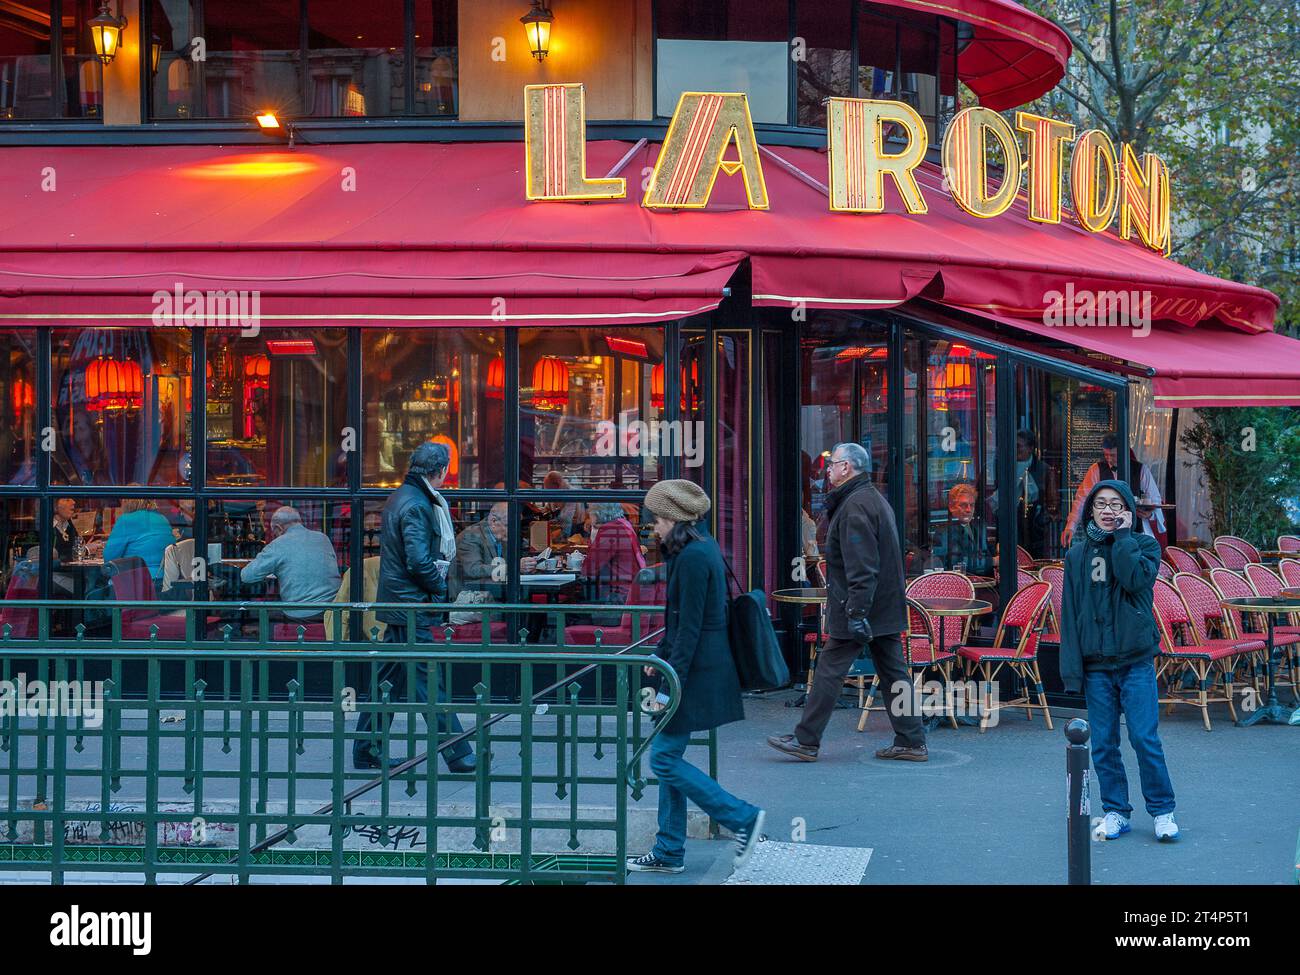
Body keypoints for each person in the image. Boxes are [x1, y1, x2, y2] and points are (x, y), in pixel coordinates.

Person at [626, 479, 765, 875]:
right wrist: (663, 655)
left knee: (665, 760)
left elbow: (689, 628)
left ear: (673, 518)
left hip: (696, 673)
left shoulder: (690, 558)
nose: (653, 527)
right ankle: (669, 850)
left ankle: (743, 818)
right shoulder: (702, 550)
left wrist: (672, 681)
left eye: (656, 519)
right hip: (701, 667)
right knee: (670, 757)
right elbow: (686, 624)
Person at [768, 442, 927, 762]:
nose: (827, 469)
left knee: (829, 670)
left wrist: (855, 612)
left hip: (860, 607)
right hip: (881, 606)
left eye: (833, 463)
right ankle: (911, 741)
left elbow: (862, 565)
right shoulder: (870, 500)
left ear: (848, 468)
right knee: (895, 672)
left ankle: (806, 740)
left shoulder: (855, 506)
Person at [1059, 479, 1178, 842]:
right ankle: (1115, 811)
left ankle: (1162, 811)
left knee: (1144, 738)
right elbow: (1071, 612)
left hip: (1135, 660)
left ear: (1127, 510)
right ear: (1091, 511)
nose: (1108, 511)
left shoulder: (1143, 546)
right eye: (1101, 505)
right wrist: (1072, 670)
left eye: (1116, 504)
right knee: (1104, 743)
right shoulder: (1078, 554)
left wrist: (1124, 538)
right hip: (1096, 664)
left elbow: (1134, 581)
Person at [355, 441, 475, 773]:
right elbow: (419, 561)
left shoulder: (405, 497)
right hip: (409, 606)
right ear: (442, 471)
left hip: (399, 604)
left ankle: (367, 749)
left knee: (387, 682)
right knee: (427, 680)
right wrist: (440, 590)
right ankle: (458, 753)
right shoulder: (418, 504)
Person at [239, 506, 342, 622]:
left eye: (275, 533)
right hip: (334, 609)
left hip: (302, 613)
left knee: (260, 616)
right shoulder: (323, 538)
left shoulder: (278, 545)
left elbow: (247, 576)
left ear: (279, 528)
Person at [447, 502, 537, 602]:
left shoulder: (500, 536)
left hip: (493, 594)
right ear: (494, 521)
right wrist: (515, 567)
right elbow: (473, 570)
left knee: (525, 602)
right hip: (471, 599)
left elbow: (506, 565)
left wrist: (525, 566)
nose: (514, 530)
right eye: (509, 525)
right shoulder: (470, 536)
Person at [581, 501, 645, 605]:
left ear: (598, 513)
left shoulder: (610, 530)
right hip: (631, 590)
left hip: (617, 596)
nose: (588, 512)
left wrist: (593, 535)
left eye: (590, 509)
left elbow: (588, 569)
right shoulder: (624, 523)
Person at [103, 496, 176, 582]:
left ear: (126, 503)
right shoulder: (162, 518)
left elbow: (109, 557)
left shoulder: (126, 520)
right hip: (165, 578)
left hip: (136, 581)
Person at [930, 483, 993, 575]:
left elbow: (987, 551)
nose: (968, 510)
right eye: (963, 505)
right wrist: (992, 561)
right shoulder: (944, 533)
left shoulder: (977, 527)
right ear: (951, 507)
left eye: (972, 505)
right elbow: (955, 562)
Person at [52, 497, 81, 563]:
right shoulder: (45, 527)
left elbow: (75, 545)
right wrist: (86, 550)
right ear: (54, 506)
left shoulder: (69, 525)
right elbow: (58, 556)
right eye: (67, 499)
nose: (73, 502)